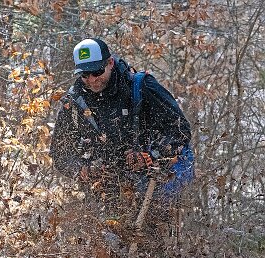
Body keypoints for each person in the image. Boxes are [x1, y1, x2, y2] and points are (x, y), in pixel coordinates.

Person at [50, 38, 194, 222]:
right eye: (85, 75)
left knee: (152, 233)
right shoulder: (74, 103)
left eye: (97, 71)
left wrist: (150, 155)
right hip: (107, 188)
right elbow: (59, 152)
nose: (92, 80)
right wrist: (82, 169)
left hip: (152, 181)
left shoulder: (141, 86)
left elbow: (180, 130)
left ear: (110, 63)